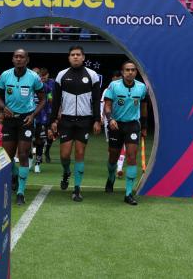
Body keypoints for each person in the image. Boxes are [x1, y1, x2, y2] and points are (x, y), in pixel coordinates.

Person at [50, 46, 102, 202]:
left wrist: (97, 120)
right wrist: (53, 120)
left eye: (78, 54)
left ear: (83, 57)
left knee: (79, 154)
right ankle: (66, 172)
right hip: (66, 120)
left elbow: (96, 100)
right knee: (64, 155)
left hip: (84, 120)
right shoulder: (61, 75)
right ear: (69, 57)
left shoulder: (92, 75)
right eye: (72, 55)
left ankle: (77, 189)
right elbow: (56, 101)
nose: (75, 57)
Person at [0, 49, 45, 205]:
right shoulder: (5, 75)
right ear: (12, 59)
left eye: (21, 57)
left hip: (26, 120)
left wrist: (33, 116)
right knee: (7, 157)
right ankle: (15, 175)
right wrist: (3, 108)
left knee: (23, 154)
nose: (18, 59)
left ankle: (20, 193)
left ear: (27, 59)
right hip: (10, 120)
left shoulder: (34, 77)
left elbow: (43, 100)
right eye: (16, 57)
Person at [103, 61, 148, 205]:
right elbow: (107, 105)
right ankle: (111, 177)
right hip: (116, 125)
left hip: (133, 125)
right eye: (127, 70)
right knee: (113, 157)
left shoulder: (141, 87)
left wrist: (145, 127)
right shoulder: (114, 86)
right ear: (122, 72)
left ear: (136, 72)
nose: (130, 72)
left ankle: (128, 193)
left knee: (131, 157)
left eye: (133, 70)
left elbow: (144, 108)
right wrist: (110, 119)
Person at [32, 68, 53, 173]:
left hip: (41, 117)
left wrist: (50, 98)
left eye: (38, 75)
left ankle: (37, 163)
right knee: (27, 141)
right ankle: (29, 159)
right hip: (28, 117)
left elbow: (50, 99)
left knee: (39, 141)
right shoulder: (27, 84)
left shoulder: (46, 87)